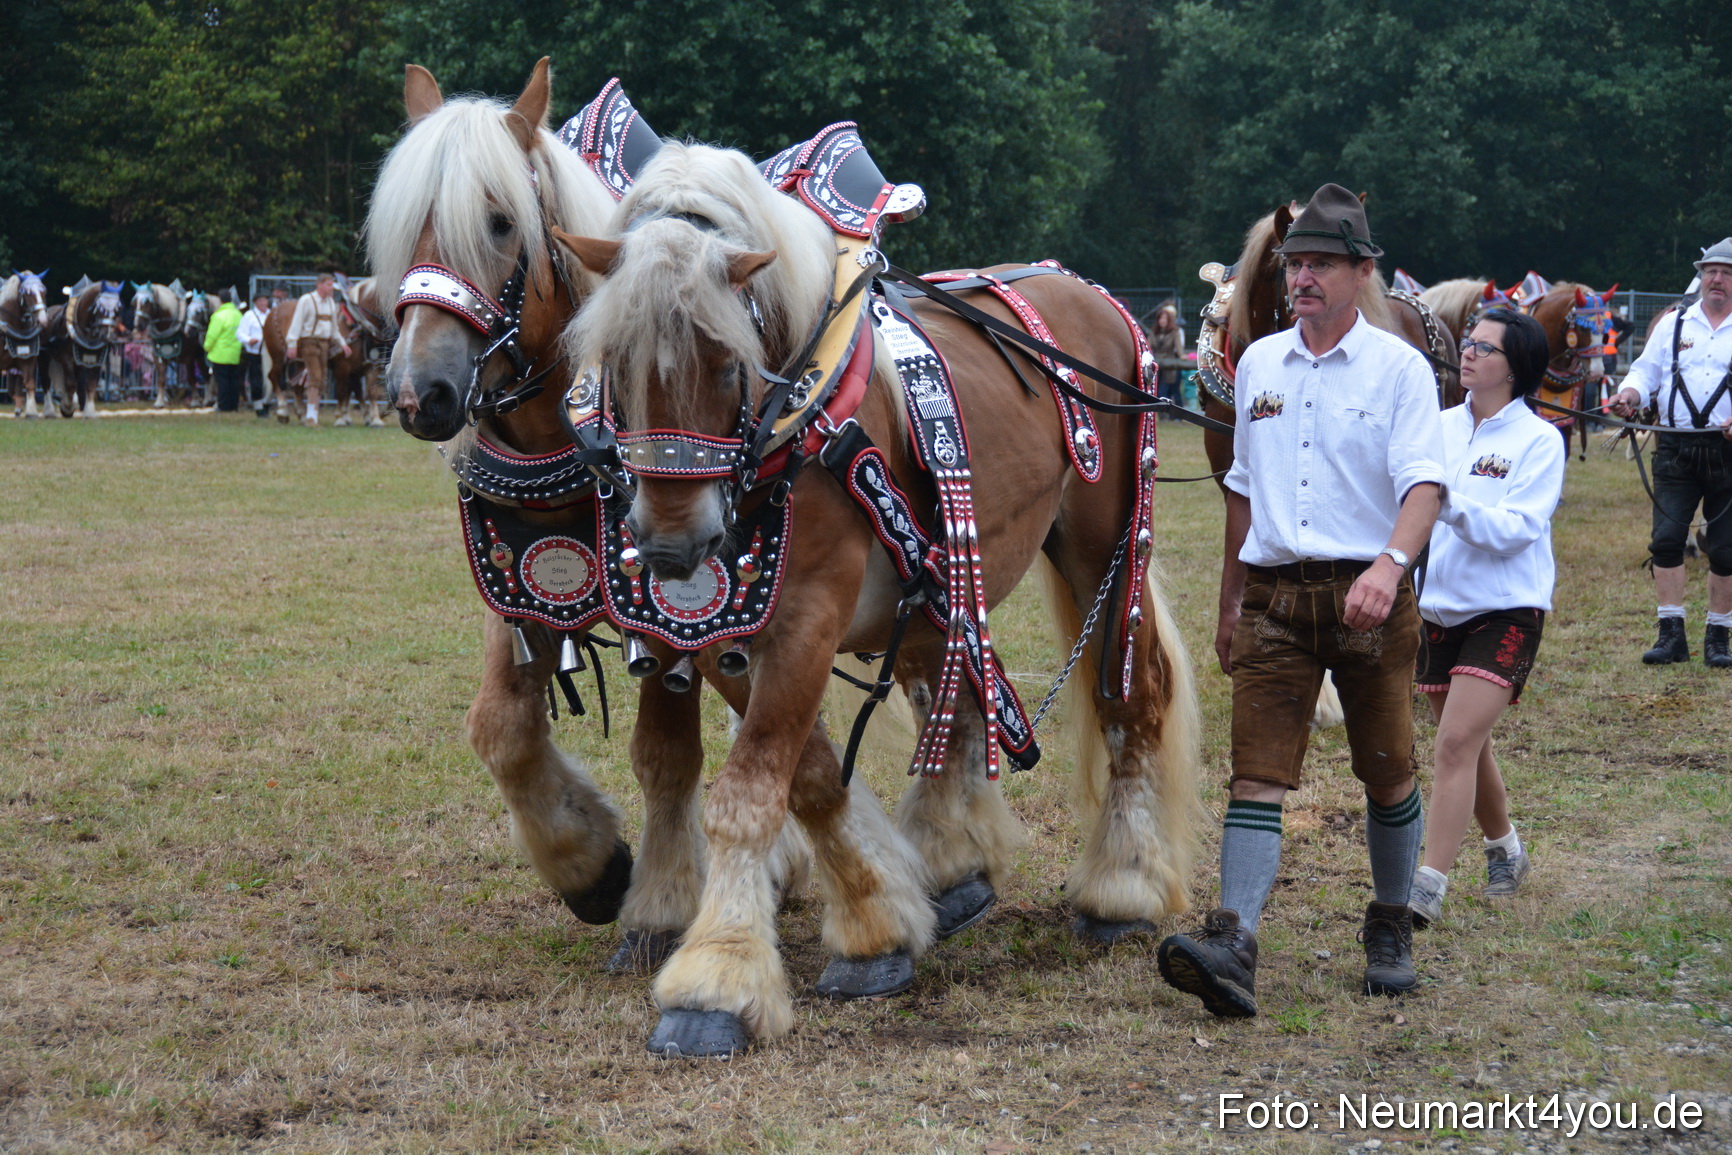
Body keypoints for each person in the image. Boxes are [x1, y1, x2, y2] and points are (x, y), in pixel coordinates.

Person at [1156, 183, 1445, 1017]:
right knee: (1257, 774)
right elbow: (1240, 487)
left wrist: (1390, 568)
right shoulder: (1258, 364)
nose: (1302, 277)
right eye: (1295, 264)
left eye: (1321, 264)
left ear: (1361, 272)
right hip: (1276, 601)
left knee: (1386, 770)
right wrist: (1229, 599)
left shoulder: (1399, 368)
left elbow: (1425, 483)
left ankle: (1389, 923)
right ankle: (1234, 942)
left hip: (1370, 600)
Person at [1407, 308, 1562, 928]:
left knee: (1453, 744)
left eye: (1483, 348)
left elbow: (1517, 530)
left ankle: (1426, 889)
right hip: (1437, 610)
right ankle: (1507, 851)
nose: (1466, 354)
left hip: (1507, 611)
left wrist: (1447, 503)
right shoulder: (1436, 427)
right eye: (1467, 343)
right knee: (1469, 745)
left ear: (1515, 367)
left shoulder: (1539, 441)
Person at [1606, 238, 1732, 668]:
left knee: (1727, 548)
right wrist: (1630, 392)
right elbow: (1647, 370)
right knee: (1665, 541)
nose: (1716, 279)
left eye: (1727, 273)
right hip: (1676, 448)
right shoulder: (1674, 324)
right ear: (1700, 277)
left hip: (1728, 450)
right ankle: (1671, 636)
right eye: (1710, 271)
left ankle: (1719, 638)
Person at [285, 273, 351, 427]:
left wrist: (343, 344)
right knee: (315, 377)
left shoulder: (331, 303)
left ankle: (313, 415)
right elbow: (297, 323)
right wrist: (292, 344)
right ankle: (310, 417)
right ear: (319, 285)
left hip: (325, 344)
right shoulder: (307, 300)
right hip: (309, 343)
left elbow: (334, 329)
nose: (331, 288)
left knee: (322, 380)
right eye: (328, 285)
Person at [203, 289, 243, 412]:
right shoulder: (238, 315)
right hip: (235, 353)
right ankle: (234, 405)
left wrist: (207, 347)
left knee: (222, 381)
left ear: (220, 301)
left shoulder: (218, 316)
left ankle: (223, 405)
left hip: (220, 354)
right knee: (234, 380)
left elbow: (212, 335)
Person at [237, 293, 271, 416]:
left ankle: (266, 403)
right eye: (260, 300)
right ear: (256, 302)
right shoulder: (249, 316)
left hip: (269, 352)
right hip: (254, 352)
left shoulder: (270, 314)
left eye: (265, 300)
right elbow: (240, 333)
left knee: (269, 380)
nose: (263, 303)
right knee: (256, 380)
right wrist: (248, 340)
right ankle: (258, 407)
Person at [1148, 303, 1185, 414]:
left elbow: (1179, 348)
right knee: (1156, 391)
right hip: (1155, 365)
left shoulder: (1175, 332)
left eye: (1165, 318)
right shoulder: (1153, 332)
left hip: (1169, 366)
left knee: (1166, 391)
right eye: (1160, 318)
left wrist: (1182, 355)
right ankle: (1162, 415)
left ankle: (1176, 415)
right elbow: (1148, 347)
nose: (1162, 320)